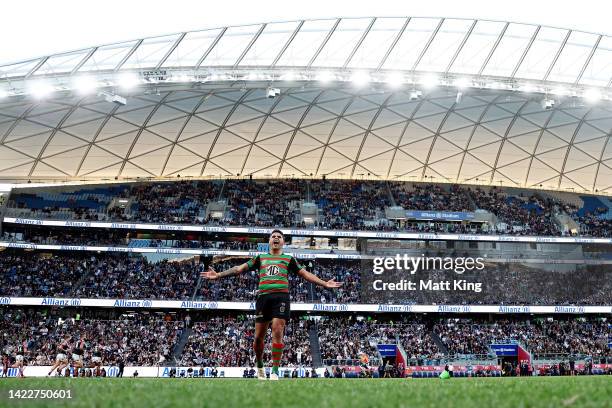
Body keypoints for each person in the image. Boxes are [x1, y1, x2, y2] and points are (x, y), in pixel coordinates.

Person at [202, 229, 341, 381]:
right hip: (263, 298)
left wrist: (324, 283)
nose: (276, 238)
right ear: (269, 241)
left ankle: (275, 371)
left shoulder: (289, 259)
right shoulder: (260, 257)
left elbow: (305, 274)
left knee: (277, 330)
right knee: (258, 338)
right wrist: (219, 275)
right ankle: (260, 365)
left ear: (283, 242)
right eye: (273, 236)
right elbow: (239, 269)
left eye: (279, 237)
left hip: (281, 297)